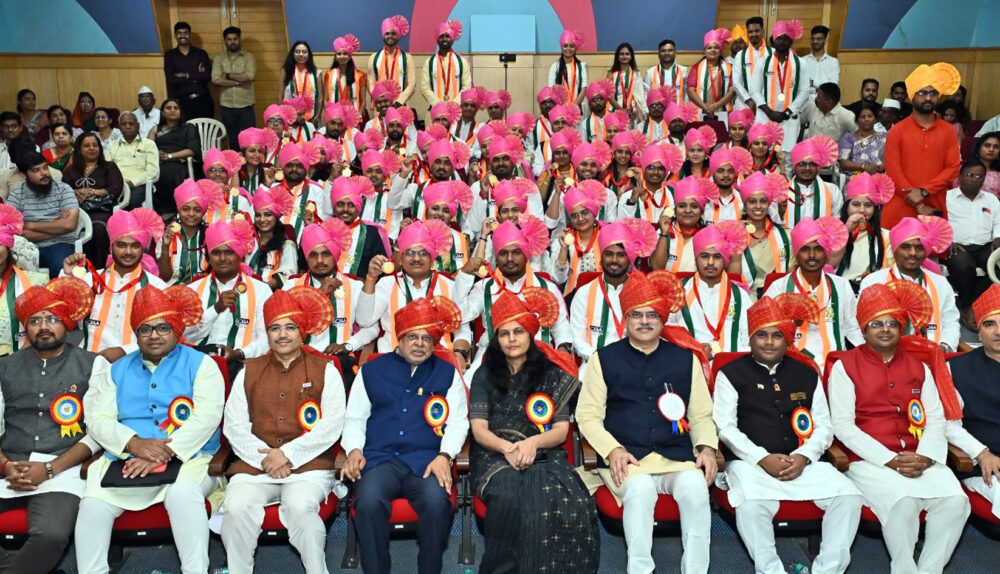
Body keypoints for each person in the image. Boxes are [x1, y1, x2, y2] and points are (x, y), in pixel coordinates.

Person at [74, 284, 224, 574]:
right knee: (92, 507)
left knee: (183, 494)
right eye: (145, 329)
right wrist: (134, 444)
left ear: (176, 330)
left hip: (190, 458)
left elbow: (207, 417)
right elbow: (98, 419)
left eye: (163, 327)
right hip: (125, 460)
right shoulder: (115, 369)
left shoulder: (202, 364)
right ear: (136, 333)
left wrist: (162, 452)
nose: (154, 335)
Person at [577, 269, 717, 574]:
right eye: (636, 314)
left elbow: (701, 415)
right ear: (625, 319)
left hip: (676, 458)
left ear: (663, 319)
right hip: (628, 460)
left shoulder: (686, 359)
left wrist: (706, 448)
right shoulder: (603, 359)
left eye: (652, 314)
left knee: (695, 487)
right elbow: (587, 416)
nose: (644, 321)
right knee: (640, 489)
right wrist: (613, 450)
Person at [714, 294, 864, 574]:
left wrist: (804, 457)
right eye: (762, 335)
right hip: (751, 465)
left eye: (777, 335)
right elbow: (725, 427)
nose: (769, 342)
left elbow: (824, 426)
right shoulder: (730, 373)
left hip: (804, 463)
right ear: (750, 339)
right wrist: (762, 458)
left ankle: (826, 571)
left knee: (849, 497)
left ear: (787, 340)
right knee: (751, 506)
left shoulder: (806, 374)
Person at [828, 281, 970, 574]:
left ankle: (929, 570)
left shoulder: (919, 366)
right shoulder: (845, 366)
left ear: (901, 328)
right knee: (903, 504)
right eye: (876, 324)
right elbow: (842, 426)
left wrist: (926, 457)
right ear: (864, 329)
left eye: (892, 323)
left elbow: (935, 418)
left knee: (956, 502)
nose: (885, 329)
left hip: (920, 455)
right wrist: (889, 459)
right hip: (870, 460)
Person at [470, 289, 599, 573]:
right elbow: (479, 430)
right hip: (494, 455)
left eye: (518, 331)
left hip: (543, 453)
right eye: (504, 333)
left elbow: (560, 431)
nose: (512, 339)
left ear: (531, 334)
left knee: (567, 498)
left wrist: (532, 443)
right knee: (507, 492)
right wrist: (508, 448)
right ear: (497, 338)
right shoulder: (484, 374)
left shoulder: (551, 373)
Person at [220, 285, 346, 574]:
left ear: (302, 332)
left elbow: (332, 423)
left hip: (308, 465)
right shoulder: (248, 370)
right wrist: (267, 459)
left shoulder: (325, 369)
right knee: (236, 508)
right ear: (267, 334)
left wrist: (287, 454)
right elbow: (234, 425)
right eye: (275, 328)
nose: (283, 334)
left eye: (290, 327)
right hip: (255, 466)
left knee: (300, 507)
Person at [341, 296, 469, 574]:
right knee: (368, 502)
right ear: (400, 338)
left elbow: (458, 423)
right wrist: (354, 450)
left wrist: (445, 456)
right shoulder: (371, 371)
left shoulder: (447, 373)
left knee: (437, 502)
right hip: (380, 460)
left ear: (434, 342)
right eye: (412, 336)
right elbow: (354, 419)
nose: (419, 343)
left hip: (427, 462)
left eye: (426, 338)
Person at [0, 277, 99, 573]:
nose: (44, 326)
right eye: (35, 320)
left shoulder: (94, 365)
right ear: (25, 328)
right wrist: (6, 466)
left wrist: (50, 469)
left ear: (67, 324)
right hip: (10, 466)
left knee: (51, 534)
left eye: (52, 319)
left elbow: (97, 433)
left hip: (64, 470)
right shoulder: (5, 366)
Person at [457, 217, 572, 375]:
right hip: (491, 360)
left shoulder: (547, 287)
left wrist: (563, 350)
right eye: (503, 253)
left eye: (516, 252)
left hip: (539, 358)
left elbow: (561, 327)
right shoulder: (484, 288)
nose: (510, 259)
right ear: (496, 257)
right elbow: (461, 316)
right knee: (465, 385)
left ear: (526, 255)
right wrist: (464, 275)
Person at [64, 207, 167, 362]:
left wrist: (125, 351)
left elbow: (165, 335)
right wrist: (67, 275)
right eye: (121, 245)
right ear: (111, 247)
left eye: (135, 246)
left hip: (138, 363)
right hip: (89, 363)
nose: (128, 252)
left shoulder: (156, 287)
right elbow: (61, 313)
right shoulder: (89, 281)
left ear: (143, 249)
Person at [355, 222, 471, 356]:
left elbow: (462, 326)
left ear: (432, 258)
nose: (416, 258)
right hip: (393, 357)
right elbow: (364, 321)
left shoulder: (449, 285)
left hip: (438, 359)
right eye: (409, 253)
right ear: (400, 259)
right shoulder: (387, 284)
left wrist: (459, 353)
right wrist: (371, 278)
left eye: (423, 253)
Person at [763, 217, 862, 368]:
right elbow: (765, 329)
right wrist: (791, 324)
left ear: (827, 253)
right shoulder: (779, 287)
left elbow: (853, 329)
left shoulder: (841, 285)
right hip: (790, 366)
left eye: (818, 249)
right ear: (796, 254)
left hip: (835, 365)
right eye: (805, 249)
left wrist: (867, 355)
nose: (812, 255)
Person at [287, 220, 378, 370]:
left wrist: (347, 345)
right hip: (298, 360)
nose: (320, 261)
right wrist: (318, 294)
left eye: (326, 254)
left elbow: (371, 328)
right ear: (306, 257)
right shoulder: (291, 286)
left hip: (340, 361)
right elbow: (285, 325)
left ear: (335, 255)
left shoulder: (354, 286)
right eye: (313, 255)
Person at [860, 216, 959, 351]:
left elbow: (951, 322)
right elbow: (863, 325)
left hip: (932, 355)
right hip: (885, 356)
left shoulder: (940, 283)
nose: (913, 253)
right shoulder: (873, 282)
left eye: (919, 248)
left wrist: (944, 347)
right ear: (894, 250)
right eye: (905, 247)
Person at [883, 63, 963, 227]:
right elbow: (893, 171)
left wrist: (925, 191)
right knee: (896, 243)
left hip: (933, 205)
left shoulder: (948, 130)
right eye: (922, 93)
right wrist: (919, 204)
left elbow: (953, 168)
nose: (928, 98)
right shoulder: (897, 131)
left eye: (933, 93)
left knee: (933, 243)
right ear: (912, 95)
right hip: (900, 206)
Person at [945, 285, 1000, 520]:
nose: (998, 332)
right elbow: (948, 424)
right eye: (989, 324)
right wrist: (981, 453)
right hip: (987, 465)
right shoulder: (956, 369)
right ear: (978, 332)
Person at [185, 219, 273, 363]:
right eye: (216, 253)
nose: (223, 258)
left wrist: (239, 354)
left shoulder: (261, 290)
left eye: (229, 252)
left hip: (245, 363)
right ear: (208, 258)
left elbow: (267, 337)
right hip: (198, 363)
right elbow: (185, 336)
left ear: (240, 255)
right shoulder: (192, 291)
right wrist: (215, 309)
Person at [670, 222, 751, 357]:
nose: (710, 262)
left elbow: (749, 337)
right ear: (696, 259)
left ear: (725, 260)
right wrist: (693, 347)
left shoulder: (740, 296)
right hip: (689, 361)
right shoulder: (678, 291)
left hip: (731, 364)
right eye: (705, 256)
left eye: (717, 257)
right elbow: (667, 329)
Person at [944, 160, 1000, 328]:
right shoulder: (947, 198)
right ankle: (969, 308)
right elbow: (937, 223)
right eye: (969, 175)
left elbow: (998, 221)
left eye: (979, 176)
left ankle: (970, 306)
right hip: (956, 246)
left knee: (997, 268)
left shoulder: (991, 199)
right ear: (960, 176)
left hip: (985, 246)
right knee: (963, 266)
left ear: (983, 179)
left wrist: (998, 237)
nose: (974, 179)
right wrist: (947, 241)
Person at [751, 20, 812, 173]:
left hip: (789, 119)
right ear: (773, 41)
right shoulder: (762, 63)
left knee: (787, 160)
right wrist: (769, 112)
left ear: (791, 41)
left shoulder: (801, 64)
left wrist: (787, 112)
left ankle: (785, 184)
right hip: (765, 117)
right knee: (761, 155)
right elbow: (754, 91)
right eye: (779, 38)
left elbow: (805, 91)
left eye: (785, 38)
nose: (782, 41)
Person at [8, 150, 79, 276]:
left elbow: (70, 225)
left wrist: (30, 225)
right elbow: (12, 231)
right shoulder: (17, 195)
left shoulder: (63, 190)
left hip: (60, 245)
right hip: (26, 247)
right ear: (24, 174)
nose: (44, 173)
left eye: (45, 167)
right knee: (14, 270)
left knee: (61, 267)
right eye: (36, 170)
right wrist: (59, 226)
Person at [61, 133, 124, 265]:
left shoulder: (109, 167)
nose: (92, 148)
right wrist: (76, 192)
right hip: (77, 212)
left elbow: (116, 188)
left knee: (98, 230)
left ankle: (100, 268)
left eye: (95, 145)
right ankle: (77, 268)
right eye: (87, 146)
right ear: (79, 149)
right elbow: (62, 191)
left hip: (101, 210)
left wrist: (93, 192)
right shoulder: (70, 170)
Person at [831, 172, 893, 290]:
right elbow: (830, 265)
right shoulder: (833, 233)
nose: (862, 210)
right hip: (841, 290)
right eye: (856, 204)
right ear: (846, 206)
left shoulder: (887, 236)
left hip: (874, 291)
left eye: (868, 205)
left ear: (875, 209)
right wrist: (845, 231)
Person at [0, 206, 48, 355]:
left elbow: (47, 328)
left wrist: (19, 360)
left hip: (21, 359)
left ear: (8, 247)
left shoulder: (35, 282)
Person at [738, 171, 792, 295]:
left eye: (763, 201)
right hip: (744, 299)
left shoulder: (785, 237)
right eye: (752, 202)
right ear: (745, 205)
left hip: (776, 298)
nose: (758, 206)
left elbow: (790, 278)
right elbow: (732, 277)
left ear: (769, 204)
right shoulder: (734, 236)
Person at [649, 176, 716, 273]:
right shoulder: (664, 231)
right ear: (675, 209)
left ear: (701, 211)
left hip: (693, 283)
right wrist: (664, 234)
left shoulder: (708, 236)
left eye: (694, 206)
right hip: (664, 281)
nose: (688, 210)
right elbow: (656, 267)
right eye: (682, 206)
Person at [774, 136, 842, 229]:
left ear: (818, 167)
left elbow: (836, 221)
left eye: (813, 164)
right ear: (794, 167)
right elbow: (775, 223)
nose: (807, 168)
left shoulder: (832, 190)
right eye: (802, 164)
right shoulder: (782, 192)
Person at [150, 98, 201, 215]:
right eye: (168, 108)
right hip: (158, 162)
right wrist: (156, 153)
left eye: (176, 108)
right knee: (153, 174)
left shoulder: (189, 127)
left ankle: (176, 209)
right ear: (163, 112)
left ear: (180, 111)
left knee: (172, 171)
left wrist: (170, 156)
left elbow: (192, 150)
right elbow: (148, 147)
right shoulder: (155, 129)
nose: (172, 110)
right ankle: (160, 210)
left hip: (181, 162)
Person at [212, 26, 256, 150]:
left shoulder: (248, 57)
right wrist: (237, 82)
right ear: (225, 41)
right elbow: (215, 80)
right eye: (229, 39)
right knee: (233, 139)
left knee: (250, 139)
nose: (232, 42)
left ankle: (250, 162)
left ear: (239, 39)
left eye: (235, 39)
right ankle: (236, 161)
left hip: (246, 106)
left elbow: (249, 76)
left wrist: (227, 75)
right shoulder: (219, 59)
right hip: (227, 106)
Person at [618, 142, 683, 223]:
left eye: (661, 169)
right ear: (644, 170)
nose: (656, 172)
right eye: (651, 168)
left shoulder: (674, 195)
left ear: (666, 172)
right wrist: (631, 202)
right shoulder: (627, 197)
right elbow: (622, 225)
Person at [105, 111, 159, 208]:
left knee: (130, 201)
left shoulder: (148, 144)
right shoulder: (112, 145)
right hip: (116, 184)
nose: (127, 126)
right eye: (124, 124)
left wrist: (133, 182)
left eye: (131, 123)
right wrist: (117, 183)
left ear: (138, 126)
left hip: (139, 184)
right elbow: (106, 168)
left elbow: (152, 170)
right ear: (119, 127)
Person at [246, 187, 297, 291]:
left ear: (276, 217)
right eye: (258, 215)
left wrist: (262, 290)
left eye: (268, 215)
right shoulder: (248, 241)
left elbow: (287, 275)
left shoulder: (287, 245)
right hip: (246, 292)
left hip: (273, 294)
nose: (262, 219)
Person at [163, 22, 214, 120]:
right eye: (179, 33)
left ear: (190, 35)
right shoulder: (170, 55)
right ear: (175, 35)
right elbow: (171, 79)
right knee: (186, 129)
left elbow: (206, 76)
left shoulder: (201, 53)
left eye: (185, 33)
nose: (182, 35)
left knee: (206, 129)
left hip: (203, 100)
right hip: (182, 102)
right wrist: (196, 75)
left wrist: (184, 75)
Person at [367, 15, 416, 107]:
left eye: (393, 33)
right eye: (387, 33)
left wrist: (399, 102)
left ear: (398, 36)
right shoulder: (374, 58)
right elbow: (370, 83)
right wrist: (380, 100)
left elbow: (411, 85)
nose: (390, 36)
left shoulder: (407, 58)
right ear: (383, 35)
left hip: (401, 105)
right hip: (381, 106)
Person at [421, 20, 471, 109]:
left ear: (452, 39)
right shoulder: (429, 62)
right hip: (435, 110)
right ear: (437, 39)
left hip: (456, 110)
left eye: (447, 36)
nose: (444, 39)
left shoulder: (461, 62)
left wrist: (454, 105)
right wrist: (439, 105)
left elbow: (466, 87)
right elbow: (425, 88)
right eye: (441, 36)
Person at [688, 29, 735, 122]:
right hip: (701, 111)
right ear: (704, 51)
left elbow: (732, 91)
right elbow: (690, 91)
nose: (713, 50)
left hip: (722, 111)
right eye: (709, 48)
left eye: (716, 47)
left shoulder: (729, 67)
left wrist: (715, 106)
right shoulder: (696, 68)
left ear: (720, 50)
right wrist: (705, 107)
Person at [704, 146, 753, 224]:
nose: (726, 175)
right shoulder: (704, 199)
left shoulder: (743, 198)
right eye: (721, 171)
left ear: (735, 174)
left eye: (730, 171)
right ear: (713, 173)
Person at [732, 16, 772, 113]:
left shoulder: (773, 53)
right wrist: (748, 100)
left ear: (763, 31)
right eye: (750, 32)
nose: (753, 34)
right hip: (744, 104)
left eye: (757, 31)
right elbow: (736, 82)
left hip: (767, 105)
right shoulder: (740, 55)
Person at [838, 102, 886, 177]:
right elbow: (843, 163)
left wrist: (882, 166)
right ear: (857, 120)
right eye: (863, 117)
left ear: (875, 119)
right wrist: (863, 167)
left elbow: (892, 159)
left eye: (870, 116)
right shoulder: (849, 137)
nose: (866, 119)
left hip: (880, 177)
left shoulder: (884, 137)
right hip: (856, 177)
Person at [279, 41, 321, 124]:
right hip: (290, 118)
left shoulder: (316, 72)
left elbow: (321, 98)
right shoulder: (286, 71)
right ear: (293, 54)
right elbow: (281, 95)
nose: (301, 54)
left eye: (304, 52)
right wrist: (283, 115)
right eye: (297, 51)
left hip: (312, 119)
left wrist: (317, 117)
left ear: (309, 55)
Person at [326, 35, 367, 118]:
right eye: (339, 54)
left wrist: (358, 116)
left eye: (345, 54)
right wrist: (330, 114)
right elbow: (325, 100)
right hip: (335, 117)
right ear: (335, 57)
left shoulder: (360, 75)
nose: (342, 56)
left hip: (354, 117)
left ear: (350, 56)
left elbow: (363, 101)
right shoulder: (329, 75)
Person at [549, 29, 589, 109]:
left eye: (572, 46)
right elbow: (551, 89)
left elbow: (583, 89)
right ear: (561, 47)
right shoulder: (555, 67)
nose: (568, 49)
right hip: (560, 108)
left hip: (579, 108)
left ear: (575, 48)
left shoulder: (582, 66)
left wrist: (573, 107)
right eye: (565, 46)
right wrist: (563, 108)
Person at [608, 42, 646, 121]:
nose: (624, 56)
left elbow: (640, 94)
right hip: (615, 108)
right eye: (622, 54)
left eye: (627, 54)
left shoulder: (636, 74)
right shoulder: (611, 74)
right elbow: (609, 95)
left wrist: (643, 110)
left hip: (633, 110)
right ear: (617, 56)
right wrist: (621, 110)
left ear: (631, 56)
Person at [643, 39, 687, 105]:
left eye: (670, 50)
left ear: (675, 53)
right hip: (657, 110)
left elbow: (686, 94)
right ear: (658, 54)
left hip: (678, 110)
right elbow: (645, 94)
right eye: (663, 51)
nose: (667, 53)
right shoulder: (650, 72)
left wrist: (685, 109)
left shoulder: (683, 71)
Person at [805, 25, 840, 95]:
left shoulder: (833, 62)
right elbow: (801, 83)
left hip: (825, 99)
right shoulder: (803, 61)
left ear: (825, 40)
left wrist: (811, 82)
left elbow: (832, 86)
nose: (815, 41)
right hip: (806, 99)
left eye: (819, 39)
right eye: (813, 39)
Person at [579, 79, 614, 144]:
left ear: (606, 101)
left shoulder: (615, 119)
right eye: (594, 100)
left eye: (600, 99)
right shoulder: (585, 124)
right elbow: (584, 146)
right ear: (589, 103)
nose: (597, 102)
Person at [970, 131, 1000, 198]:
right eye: (987, 145)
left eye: (996, 147)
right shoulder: (965, 170)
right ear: (978, 148)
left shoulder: (998, 173)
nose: (991, 149)